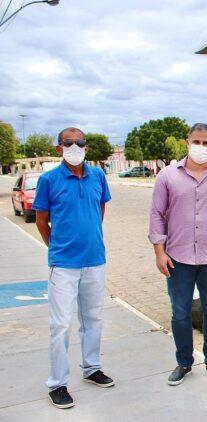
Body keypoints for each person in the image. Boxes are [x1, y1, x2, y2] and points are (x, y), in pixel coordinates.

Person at [148, 123, 207, 385]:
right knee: (180, 313)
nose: (201, 147)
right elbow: (156, 214)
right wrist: (159, 251)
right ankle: (183, 362)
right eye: (196, 142)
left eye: (206, 143)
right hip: (177, 258)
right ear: (186, 142)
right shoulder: (167, 176)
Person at [33, 127, 114, 409]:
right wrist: (56, 248)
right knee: (61, 324)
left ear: (87, 147)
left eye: (80, 142)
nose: (75, 147)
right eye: (69, 142)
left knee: (93, 318)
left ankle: (91, 368)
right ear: (59, 148)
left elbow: (100, 209)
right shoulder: (48, 180)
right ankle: (57, 383)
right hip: (63, 265)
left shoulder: (98, 176)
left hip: (95, 260)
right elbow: (41, 220)